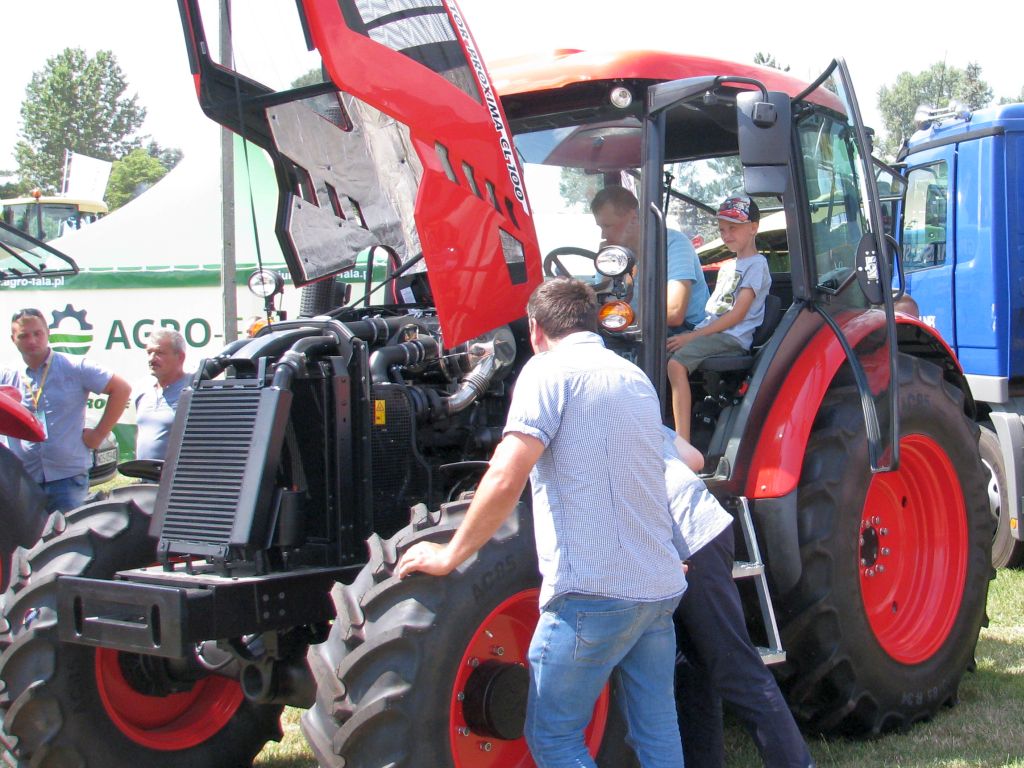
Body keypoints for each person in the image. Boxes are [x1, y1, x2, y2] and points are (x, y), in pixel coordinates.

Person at [396, 277, 687, 768]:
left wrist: (450, 555)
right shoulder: (633, 376)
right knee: (656, 730)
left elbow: (507, 474)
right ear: (592, 321)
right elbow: (657, 471)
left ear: (534, 330)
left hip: (592, 591)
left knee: (552, 737)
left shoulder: (546, 372)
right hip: (657, 588)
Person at [664, 428, 815, 768]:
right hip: (704, 527)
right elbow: (696, 459)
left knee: (734, 664)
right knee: (690, 664)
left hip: (691, 539)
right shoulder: (639, 413)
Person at [1, 308, 131, 512]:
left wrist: (98, 435)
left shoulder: (74, 366)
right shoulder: (5, 375)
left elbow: (122, 389)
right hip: (25, 478)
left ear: (48, 333)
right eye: (24, 336)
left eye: (38, 333)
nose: (32, 341)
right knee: (30, 543)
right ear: (13, 339)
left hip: (67, 477)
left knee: (68, 538)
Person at [666, 195, 770, 440]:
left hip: (731, 337)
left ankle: (683, 442)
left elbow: (737, 315)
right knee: (660, 353)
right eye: (722, 229)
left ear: (753, 227)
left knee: (675, 364)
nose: (726, 235)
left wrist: (691, 337)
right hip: (714, 331)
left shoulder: (757, 265)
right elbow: (714, 311)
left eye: (733, 228)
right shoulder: (727, 267)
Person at [590, 185, 711, 331]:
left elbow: (674, 313)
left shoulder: (673, 243)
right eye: (600, 227)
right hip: (631, 328)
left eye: (607, 226)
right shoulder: (613, 253)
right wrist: (608, 271)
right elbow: (603, 303)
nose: (603, 235)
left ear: (633, 219)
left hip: (682, 332)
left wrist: (619, 319)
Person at [134, 328, 190, 461]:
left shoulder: (193, 390)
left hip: (179, 478)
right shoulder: (142, 388)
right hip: (145, 478)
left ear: (180, 357)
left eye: (160, 353)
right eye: (149, 352)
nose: (152, 359)